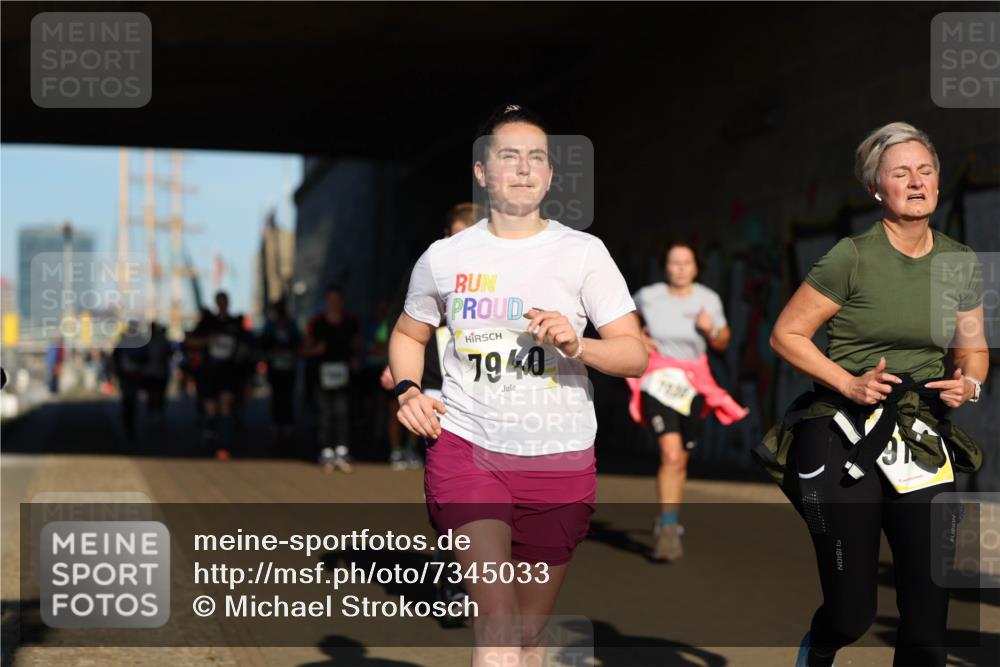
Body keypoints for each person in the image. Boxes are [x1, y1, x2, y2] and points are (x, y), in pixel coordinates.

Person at [388, 104, 646, 666]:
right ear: (482, 172)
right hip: (467, 450)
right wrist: (408, 390)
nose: (524, 168)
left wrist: (578, 345)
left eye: (536, 158)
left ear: (550, 175)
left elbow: (634, 354)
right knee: (498, 625)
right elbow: (408, 333)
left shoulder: (583, 253)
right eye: (509, 156)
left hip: (559, 458)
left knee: (529, 635)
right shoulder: (444, 258)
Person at [763, 122, 987, 667]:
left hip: (919, 437)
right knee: (851, 613)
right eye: (901, 173)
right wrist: (848, 382)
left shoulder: (959, 262)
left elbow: (973, 348)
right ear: (876, 189)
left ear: (938, 182)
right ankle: (820, 646)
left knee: (928, 626)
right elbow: (786, 334)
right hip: (839, 431)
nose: (917, 182)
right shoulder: (851, 257)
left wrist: (970, 383)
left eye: (925, 171)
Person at [629, 241, 748, 561]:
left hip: (692, 384)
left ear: (696, 267)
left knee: (680, 459)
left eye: (686, 262)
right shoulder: (648, 295)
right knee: (670, 454)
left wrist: (711, 332)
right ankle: (669, 532)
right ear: (665, 267)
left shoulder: (708, 299)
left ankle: (669, 519)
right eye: (674, 262)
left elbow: (723, 341)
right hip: (658, 380)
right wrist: (637, 336)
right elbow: (621, 319)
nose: (680, 268)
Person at [380, 202, 484, 471]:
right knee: (435, 430)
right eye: (455, 236)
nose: (460, 244)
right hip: (432, 367)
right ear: (446, 233)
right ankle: (406, 452)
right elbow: (401, 322)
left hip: (482, 375)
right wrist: (393, 364)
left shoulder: (497, 270)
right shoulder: (432, 266)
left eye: (468, 236)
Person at [184, 291, 252, 459]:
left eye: (225, 301)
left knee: (225, 405)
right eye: (220, 301)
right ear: (216, 303)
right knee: (211, 409)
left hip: (229, 372)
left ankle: (224, 445)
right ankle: (210, 433)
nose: (222, 304)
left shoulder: (236, 323)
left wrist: (243, 353)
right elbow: (189, 342)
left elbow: (248, 345)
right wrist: (208, 340)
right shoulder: (208, 323)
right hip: (209, 371)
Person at [304, 284, 363, 472]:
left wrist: (355, 356)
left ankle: (342, 450)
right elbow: (304, 349)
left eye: (337, 300)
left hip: (344, 375)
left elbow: (359, 344)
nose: (334, 304)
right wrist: (315, 350)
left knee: (342, 412)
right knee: (324, 412)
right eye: (331, 300)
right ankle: (326, 451)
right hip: (322, 375)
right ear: (326, 301)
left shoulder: (350, 321)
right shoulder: (317, 323)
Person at [259, 299, 302, 449]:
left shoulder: (291, 325)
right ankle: (277, 426)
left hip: (289, 366)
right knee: (277, 397)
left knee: (287, 396)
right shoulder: (271, 326)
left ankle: (287, 425)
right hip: (275, 367)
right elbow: (263, 343)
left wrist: (289, 349)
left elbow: (298, 342)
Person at [111, 320, 149, 441]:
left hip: (132, 375)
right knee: (129, 400)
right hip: (128, 376)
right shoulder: (132, 342)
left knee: (130, 400)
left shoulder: (127, 342)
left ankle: (129, 424)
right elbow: (115, 358)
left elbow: (146, 358)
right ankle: (128, 424)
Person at [141, 322, 172, 426]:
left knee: (156, 394)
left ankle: (155, 413)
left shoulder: (156, 341)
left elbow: (167, 355)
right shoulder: (159, 341)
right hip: (154, 372)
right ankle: (154, 413)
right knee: (154, 394)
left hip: (156, 372)